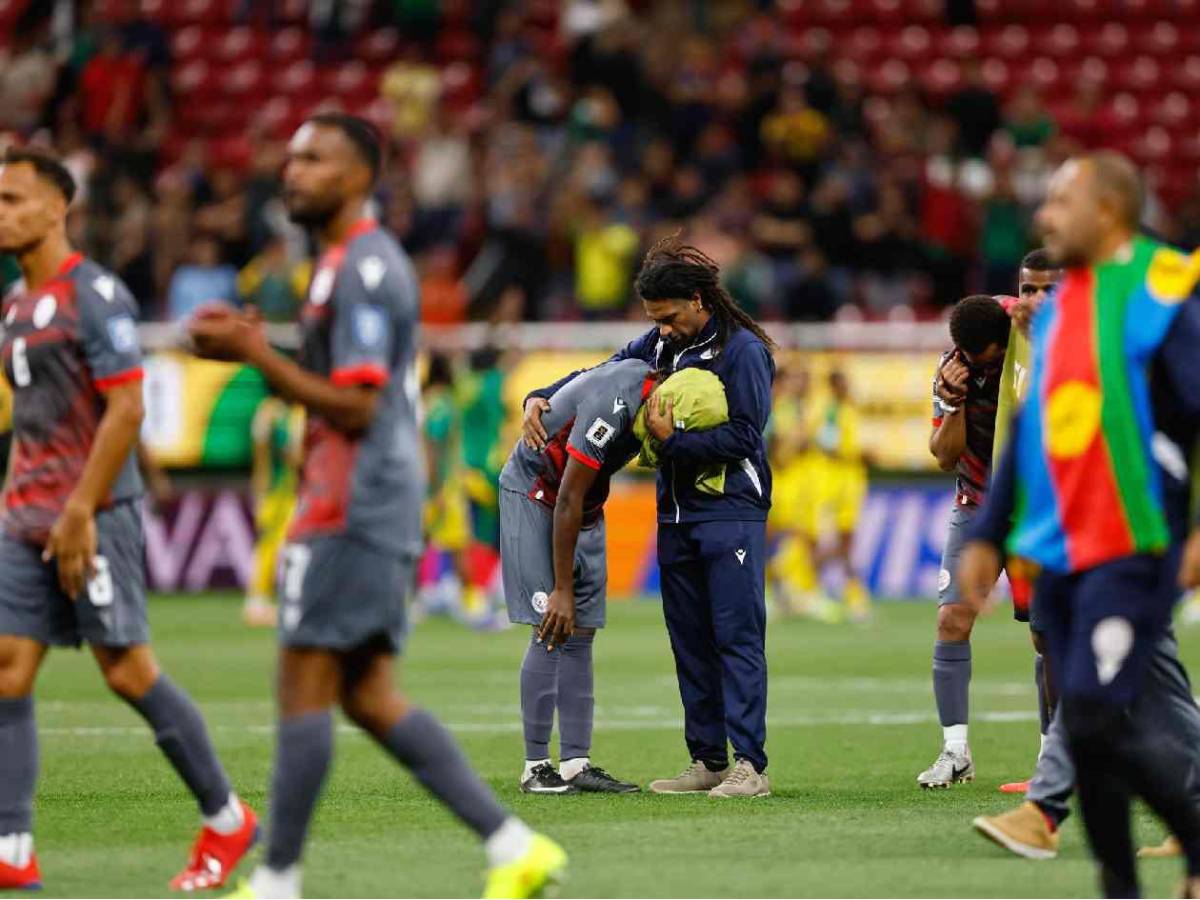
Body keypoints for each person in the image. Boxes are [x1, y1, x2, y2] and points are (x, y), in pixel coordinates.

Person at [187, 113, 564, 900]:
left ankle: (278, 880)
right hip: (359, 497)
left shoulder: (360, 269)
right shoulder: (333, 268)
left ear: (359, 176)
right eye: (290, 157)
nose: (293, 171)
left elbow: (356, 405)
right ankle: (512, 845)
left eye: (314, 159)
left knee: (305, 680)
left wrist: (257, 356)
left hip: (354, 501)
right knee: (365, 693)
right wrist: (270, 351)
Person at [0, 147, 258, 892]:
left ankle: (225, 818)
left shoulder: (95, 294)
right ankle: (13, 848)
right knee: (9, 669)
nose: (3, 212)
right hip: (26, 515)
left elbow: (128, 405)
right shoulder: (16, 306)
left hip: (93, 512)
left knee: (127, 670)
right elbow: (35, 422)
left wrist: (81, 507)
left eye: (15, 199)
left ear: (57, 208)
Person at [959, 152, 1200, 897]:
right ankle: (1120, 888)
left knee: (1093, 716)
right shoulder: (1061, 310)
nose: (1043, 215)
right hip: (1058, 549)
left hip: (1132, 544)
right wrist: (990, 535)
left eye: (1060, 201)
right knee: (1089, 730)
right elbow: (1033, 432)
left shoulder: (1166, 291)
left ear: (1108, 211)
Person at [524, 238, 776, 798]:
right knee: (688, 640)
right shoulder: (662, 346)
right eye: (654, 322)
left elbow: (746, 436)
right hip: (677, 516)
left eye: (668, 318)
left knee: (736, 637)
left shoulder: (744, 351)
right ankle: (708, 759)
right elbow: (604, 372)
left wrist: (673, 441)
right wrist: (541, 396)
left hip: (730, 511)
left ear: (697, 299)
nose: (661, 331)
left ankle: (749, 765)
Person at [500, 357, 658, 795]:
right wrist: (562, 589)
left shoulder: (655, 393)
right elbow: (566, 494)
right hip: (538, 494)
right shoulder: (619, 401)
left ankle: (575, 762)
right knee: (551, 625)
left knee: (582, 632)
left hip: (583, 504)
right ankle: (535, 766)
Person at [917, 294, 1011, 789]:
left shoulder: (1033, 356)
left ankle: (1053, 757)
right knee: (951, 618)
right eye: (971, 360)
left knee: (1046, 632)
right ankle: (955, 751)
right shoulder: (951, 369)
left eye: (989, 360)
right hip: (975, 502)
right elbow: (942, 455)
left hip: (1036, 507)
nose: (979, 368)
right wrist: (953, 404)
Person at [809, 370, 871, 622]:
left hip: (850, 484)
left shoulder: (848, 409)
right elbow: (828, 445)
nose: (848, 387)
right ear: (834, 386)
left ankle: (835, 592)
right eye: (844, 383)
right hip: (833, 485)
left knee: (846, 543)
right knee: (840, 542)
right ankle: (847, 594)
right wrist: (857, 453)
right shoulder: (832, 410)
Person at [243, 396, 305, 628]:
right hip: (278, 490)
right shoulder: (272, 414)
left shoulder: (278, 412)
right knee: (270, 543)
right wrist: (259, 490)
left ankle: (274, 597)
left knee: (281, 544)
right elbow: (264, 457)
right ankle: (258, 599)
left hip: (287, 491)